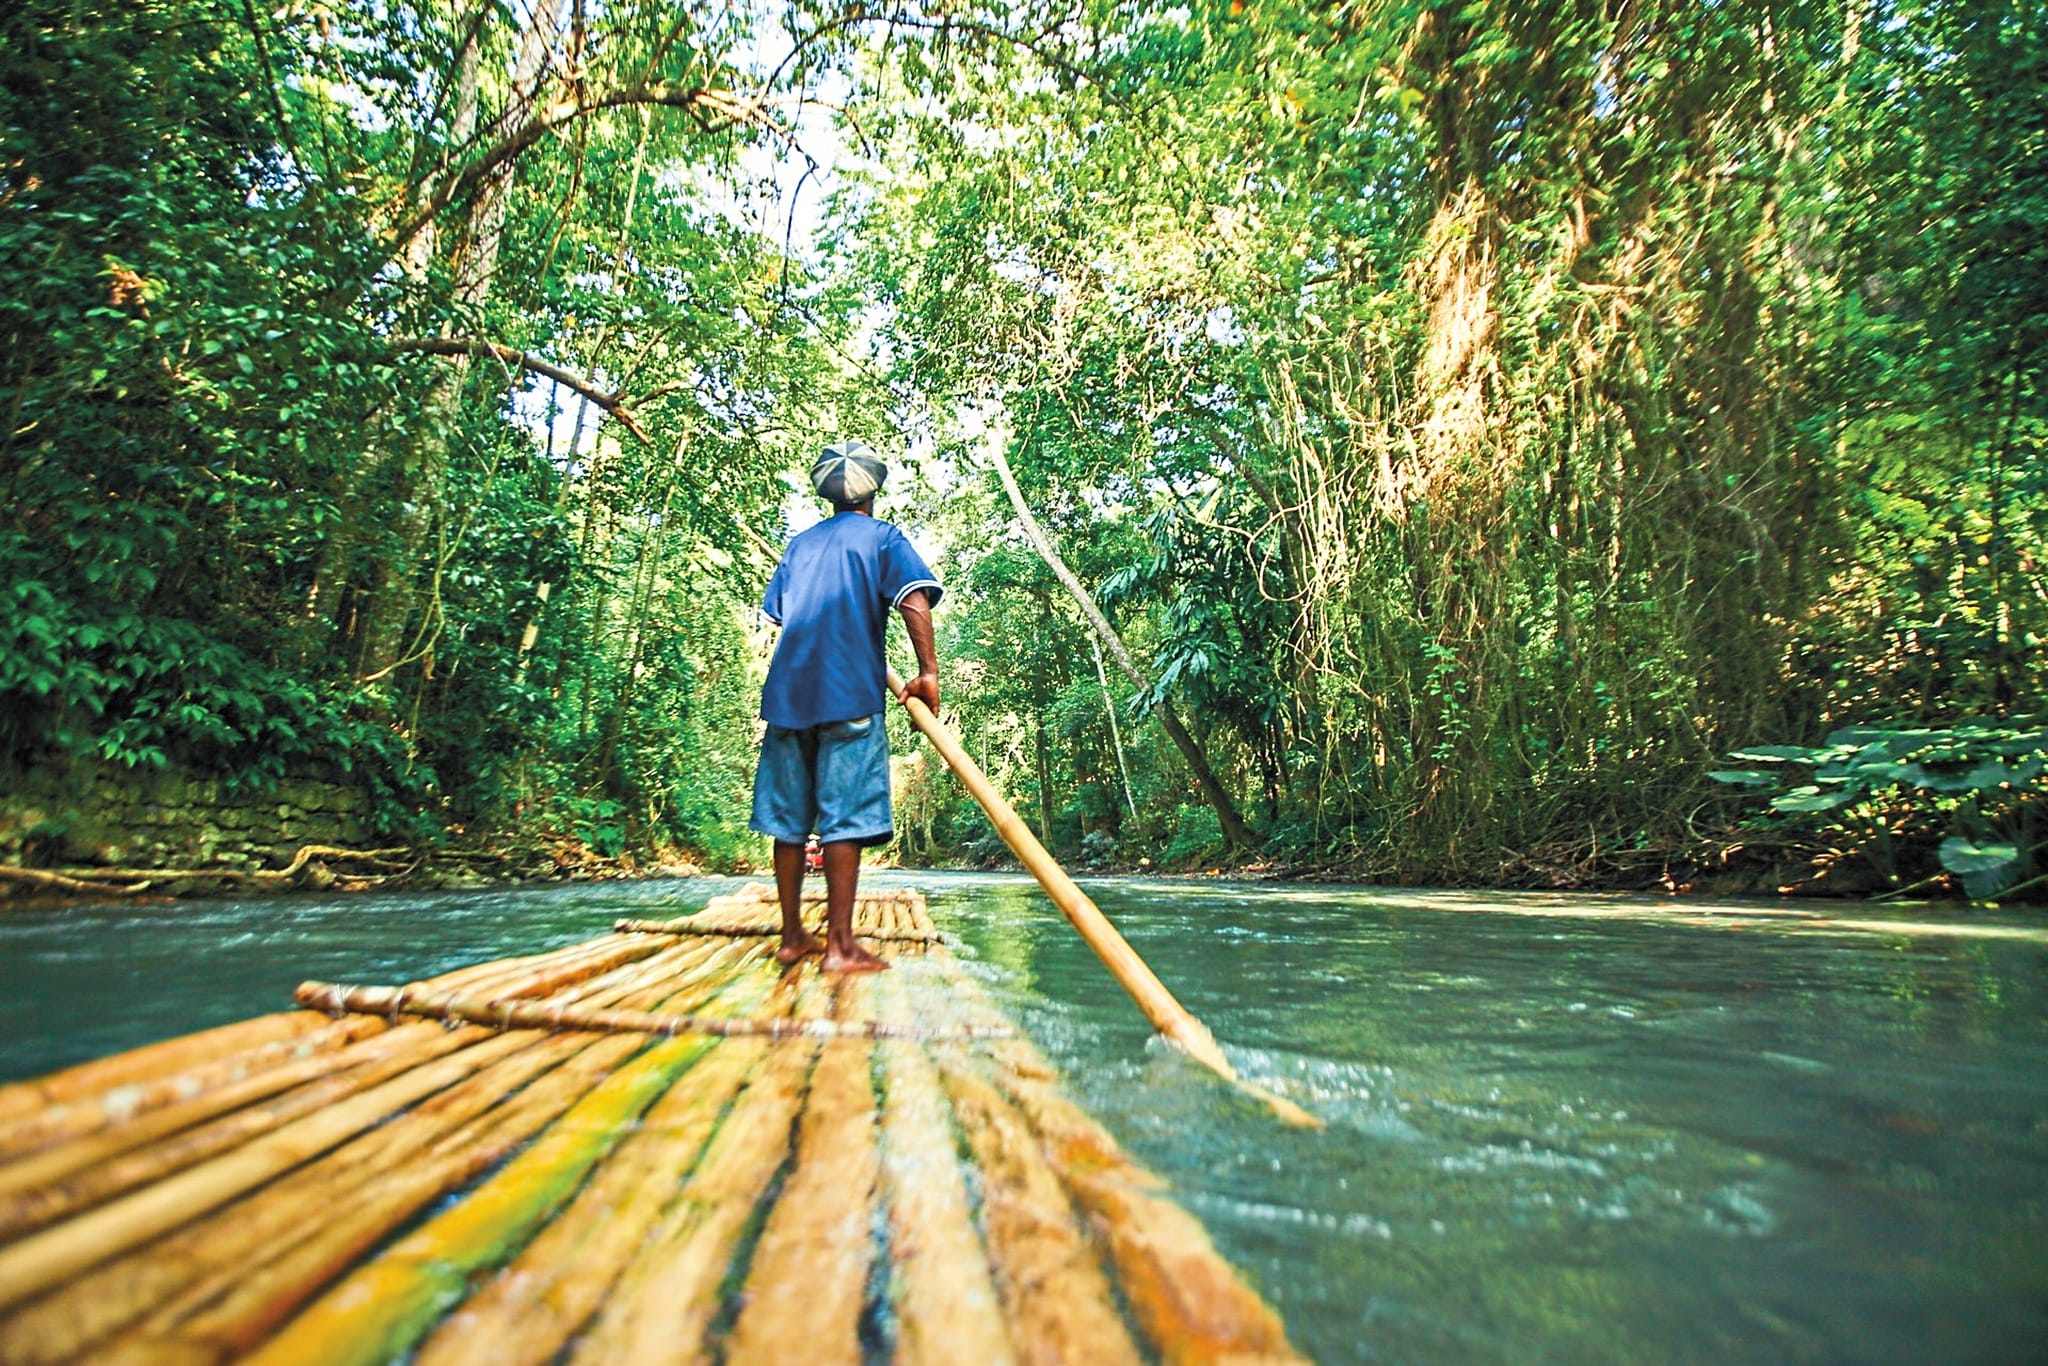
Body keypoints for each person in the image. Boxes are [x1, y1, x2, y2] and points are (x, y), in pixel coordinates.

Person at [750, 441, 941, 973]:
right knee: (844, 821)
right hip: (849, 696)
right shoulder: (882, 539)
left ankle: (793, 938)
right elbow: (913, 599)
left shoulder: (800, 546)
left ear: (826, 495)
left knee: (789, 823)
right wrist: (926, 673)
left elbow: (787, 615)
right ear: (874, 493)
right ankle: (840, 946)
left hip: (788, 697)